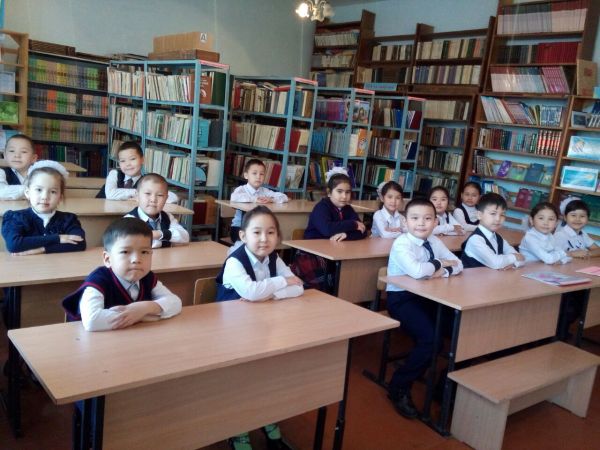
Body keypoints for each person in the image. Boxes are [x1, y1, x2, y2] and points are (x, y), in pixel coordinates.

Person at [215, 205, 302, 450]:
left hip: (264, 327)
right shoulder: (235, 261)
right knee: (240, 382)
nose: (264, 239)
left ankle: (267, 418)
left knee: (268, 378)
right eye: (257, 232)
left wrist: (270, 295)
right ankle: (238, 431)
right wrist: (281, 282)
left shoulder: (274, 258)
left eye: (271, 232)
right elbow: (252, 292)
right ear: (243, 236)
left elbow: (299, 287)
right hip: (231, 333)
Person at [386, 198, 463, 419]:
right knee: (432, 340)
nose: (421, 223)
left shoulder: (434, 241)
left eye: (428, 218)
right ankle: (399, 386)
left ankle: (443, 385)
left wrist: (443, 271)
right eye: (415, 218)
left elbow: (459, 264)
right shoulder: (402, 243)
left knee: (462, 330)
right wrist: (439, 264)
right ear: (405, 222)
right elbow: (418, 272)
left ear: (436, 222)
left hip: (430, 297)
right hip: (402, 299)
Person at [62, 217, 182, 331]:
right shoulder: (99, 279)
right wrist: (141, 317)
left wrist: (145, 308)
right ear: (107, 259)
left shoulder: (147, 277)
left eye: (144, 252)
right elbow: (92, 320)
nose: (136, 259)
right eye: (125, 252)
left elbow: (176, 302)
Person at [294, 168, 367, 292]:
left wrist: (346, 235)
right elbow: (327, 229)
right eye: (339, 191)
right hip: (313, 253)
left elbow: (363, 231)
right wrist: (353, 224)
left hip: (336, 252)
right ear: (329, 192)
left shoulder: (348, 209)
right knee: (329, 279)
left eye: (348, 192)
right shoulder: (321, 208)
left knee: (351, 269)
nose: (344, 196)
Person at [1, 160, 86, 255]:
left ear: (60, 197)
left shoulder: (68, 219)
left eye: (53, 192)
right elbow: (14, 245)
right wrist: (58, 238)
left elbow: (80, 243)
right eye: (39, 190)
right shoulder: (16, 218)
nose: (45, 197)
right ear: (27, 193)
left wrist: (42, 249)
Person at [554, 198, 600, 340]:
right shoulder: (560, 235)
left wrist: (586, 253)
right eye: (573, 215)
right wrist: (572, 254)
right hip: (563, 276)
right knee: (572, 305)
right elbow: (553, 255)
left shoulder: (582, 234)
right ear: (565, 217)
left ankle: (564, 329)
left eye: (582, 216)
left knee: (583, 301)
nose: (578, 219)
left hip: (579, 273)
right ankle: (559, 332)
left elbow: (597, 250)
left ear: (587, 219)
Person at [97, 140, 177, 203]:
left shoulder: (146, 180)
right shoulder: (114, 174)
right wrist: (139, 193)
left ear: (142, 160)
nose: (128, 164)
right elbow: (110, 194)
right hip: (102, 212)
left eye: (132, 159)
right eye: (122, 161)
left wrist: (145, 196)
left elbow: (173, 197)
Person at [229, 158, 288, 242]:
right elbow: (234, 197)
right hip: (239, 228)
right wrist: (255, 199)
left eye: (262, 174)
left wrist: (272, 199)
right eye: (254, 173)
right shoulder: (241, 189)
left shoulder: (265, 191)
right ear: (246, 175)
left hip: (260, 229)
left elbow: (284, 197)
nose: (258, 177)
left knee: (271, 237)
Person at [123, 173, 189, 248]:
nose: (153, 199)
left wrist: (158, 234)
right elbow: (135, 244)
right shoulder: (129, 220)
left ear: (166, 199)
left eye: (160, 195)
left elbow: (185, 237)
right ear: (137, 196)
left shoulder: (168, 217)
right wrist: (169, 242)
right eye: (148, 193)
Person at [461, 193, 525, 269]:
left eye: (502, 215)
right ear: (479, 215)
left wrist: (514, 264)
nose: (498, 219)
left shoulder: (498, 238)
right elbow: (496, 263)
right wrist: (514, 257)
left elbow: (522, 259)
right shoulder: (475, 240)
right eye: (493, 213)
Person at [0, 134, 38, 200]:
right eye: (12, 151)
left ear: (33, 158)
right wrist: (32, 190)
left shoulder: (40, 173)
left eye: (23, 152)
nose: (17, 155)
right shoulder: (2, 172)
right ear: (5, 156)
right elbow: (1, 192)